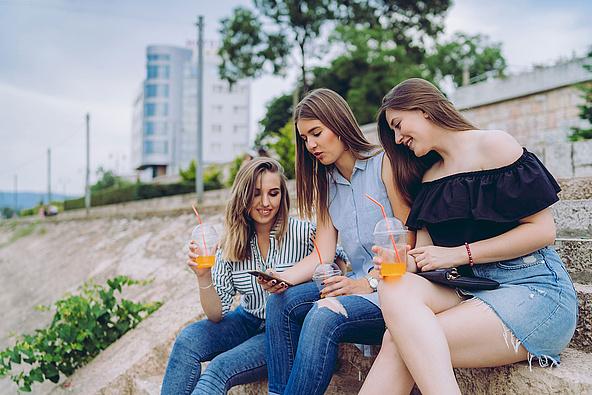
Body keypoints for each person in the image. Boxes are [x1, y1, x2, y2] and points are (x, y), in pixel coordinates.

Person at [359, 78, 578, 395]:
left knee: (399, 340)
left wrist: (460, 254)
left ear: (423, 110)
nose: (396, 137)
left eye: (397, 124)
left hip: (534, 290)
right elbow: (425, 258)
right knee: (395, 286)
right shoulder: (430, 177)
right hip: (472, 291)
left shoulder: (494, 145)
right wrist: (401, 263)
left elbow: (544, 231)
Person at [262, 88, 430, 395]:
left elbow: (410, 245)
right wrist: (281, 277)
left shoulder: (385, 164)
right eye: (304, 138)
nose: (311, 144)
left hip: (397, 287)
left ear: (339, 125)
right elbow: (323, 253)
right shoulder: (326, 185)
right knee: (281, 302)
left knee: (323, 315)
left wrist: (368, 283)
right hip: (357, 284)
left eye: (316, 132)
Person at [160, 157, 346, 395]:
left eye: (274, 193)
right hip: (245, 319)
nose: (266, 202)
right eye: (256, 193)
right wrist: (203, 276)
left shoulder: (304, 232)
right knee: (188, 339)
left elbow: (337, 261)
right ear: (243, 195)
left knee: (218, 369)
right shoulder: (230, 242)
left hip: (281, 332)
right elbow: (216, 314)